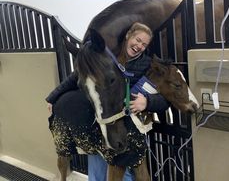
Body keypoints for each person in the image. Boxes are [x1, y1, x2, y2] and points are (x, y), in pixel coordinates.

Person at [46, 22, 170, 181]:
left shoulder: (148, 65)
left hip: (130, 128)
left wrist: (147, 102)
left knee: (125, 172)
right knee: (97, 171)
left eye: (144, 44)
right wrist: (52, 97)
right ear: (128, 36)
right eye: (137, 40)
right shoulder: (105, 57)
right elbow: (76, 77)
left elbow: (166, 98)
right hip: (101, 127)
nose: (139, 46)